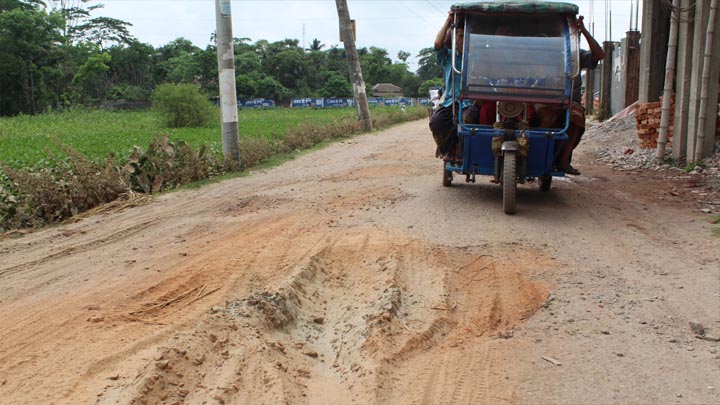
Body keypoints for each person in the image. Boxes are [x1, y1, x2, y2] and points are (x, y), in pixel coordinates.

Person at [542, 15, 604, 175]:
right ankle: (536, 155)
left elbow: (599, 55)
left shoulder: (573, 54)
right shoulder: (541, 54)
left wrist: (584, 31)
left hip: (569, 101)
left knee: (576, 117)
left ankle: (563, 161)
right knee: (542, 117)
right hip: (543, 99)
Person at [428, 12, 472, 164]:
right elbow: (437, 44)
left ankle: (464, 150)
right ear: (454, 39)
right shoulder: (449, 56)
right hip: (450, 100)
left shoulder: (475, 56)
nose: (462, 40)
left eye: (465, 36)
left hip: (470, 102)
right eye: (459, 36)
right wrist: (448, 20)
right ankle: (446, 149)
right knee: (436, 122)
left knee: (470, 122)